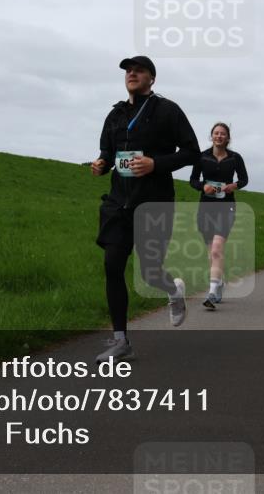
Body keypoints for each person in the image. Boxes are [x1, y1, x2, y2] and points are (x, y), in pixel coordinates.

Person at [90, 56, 200, 363]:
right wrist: (101, 164)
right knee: (112, 265)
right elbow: (107, 153)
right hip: (118, 203)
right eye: (128, 71)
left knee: (150, 271)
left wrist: (156, 163)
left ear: (152, 78)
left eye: (138, 70)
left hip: (154, 201)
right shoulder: (115, 114)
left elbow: (191, 151)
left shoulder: (167, 110)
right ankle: (121, 341)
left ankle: (172, 289)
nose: (131, 74)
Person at [189, 123, 249, 310]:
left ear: (228, 138)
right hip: (206, 207)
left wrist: (233, 186)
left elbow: (244, 179)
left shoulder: (235, 158)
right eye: (216, 133)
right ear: (211, 136)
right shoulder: (202, 156)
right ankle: (219, 282)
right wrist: (202, 186)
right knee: (212, 253)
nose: (219, 136)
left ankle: (212, 292)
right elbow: (193, 180)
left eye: (223, 134)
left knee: (216, 249)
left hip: (226, 207)